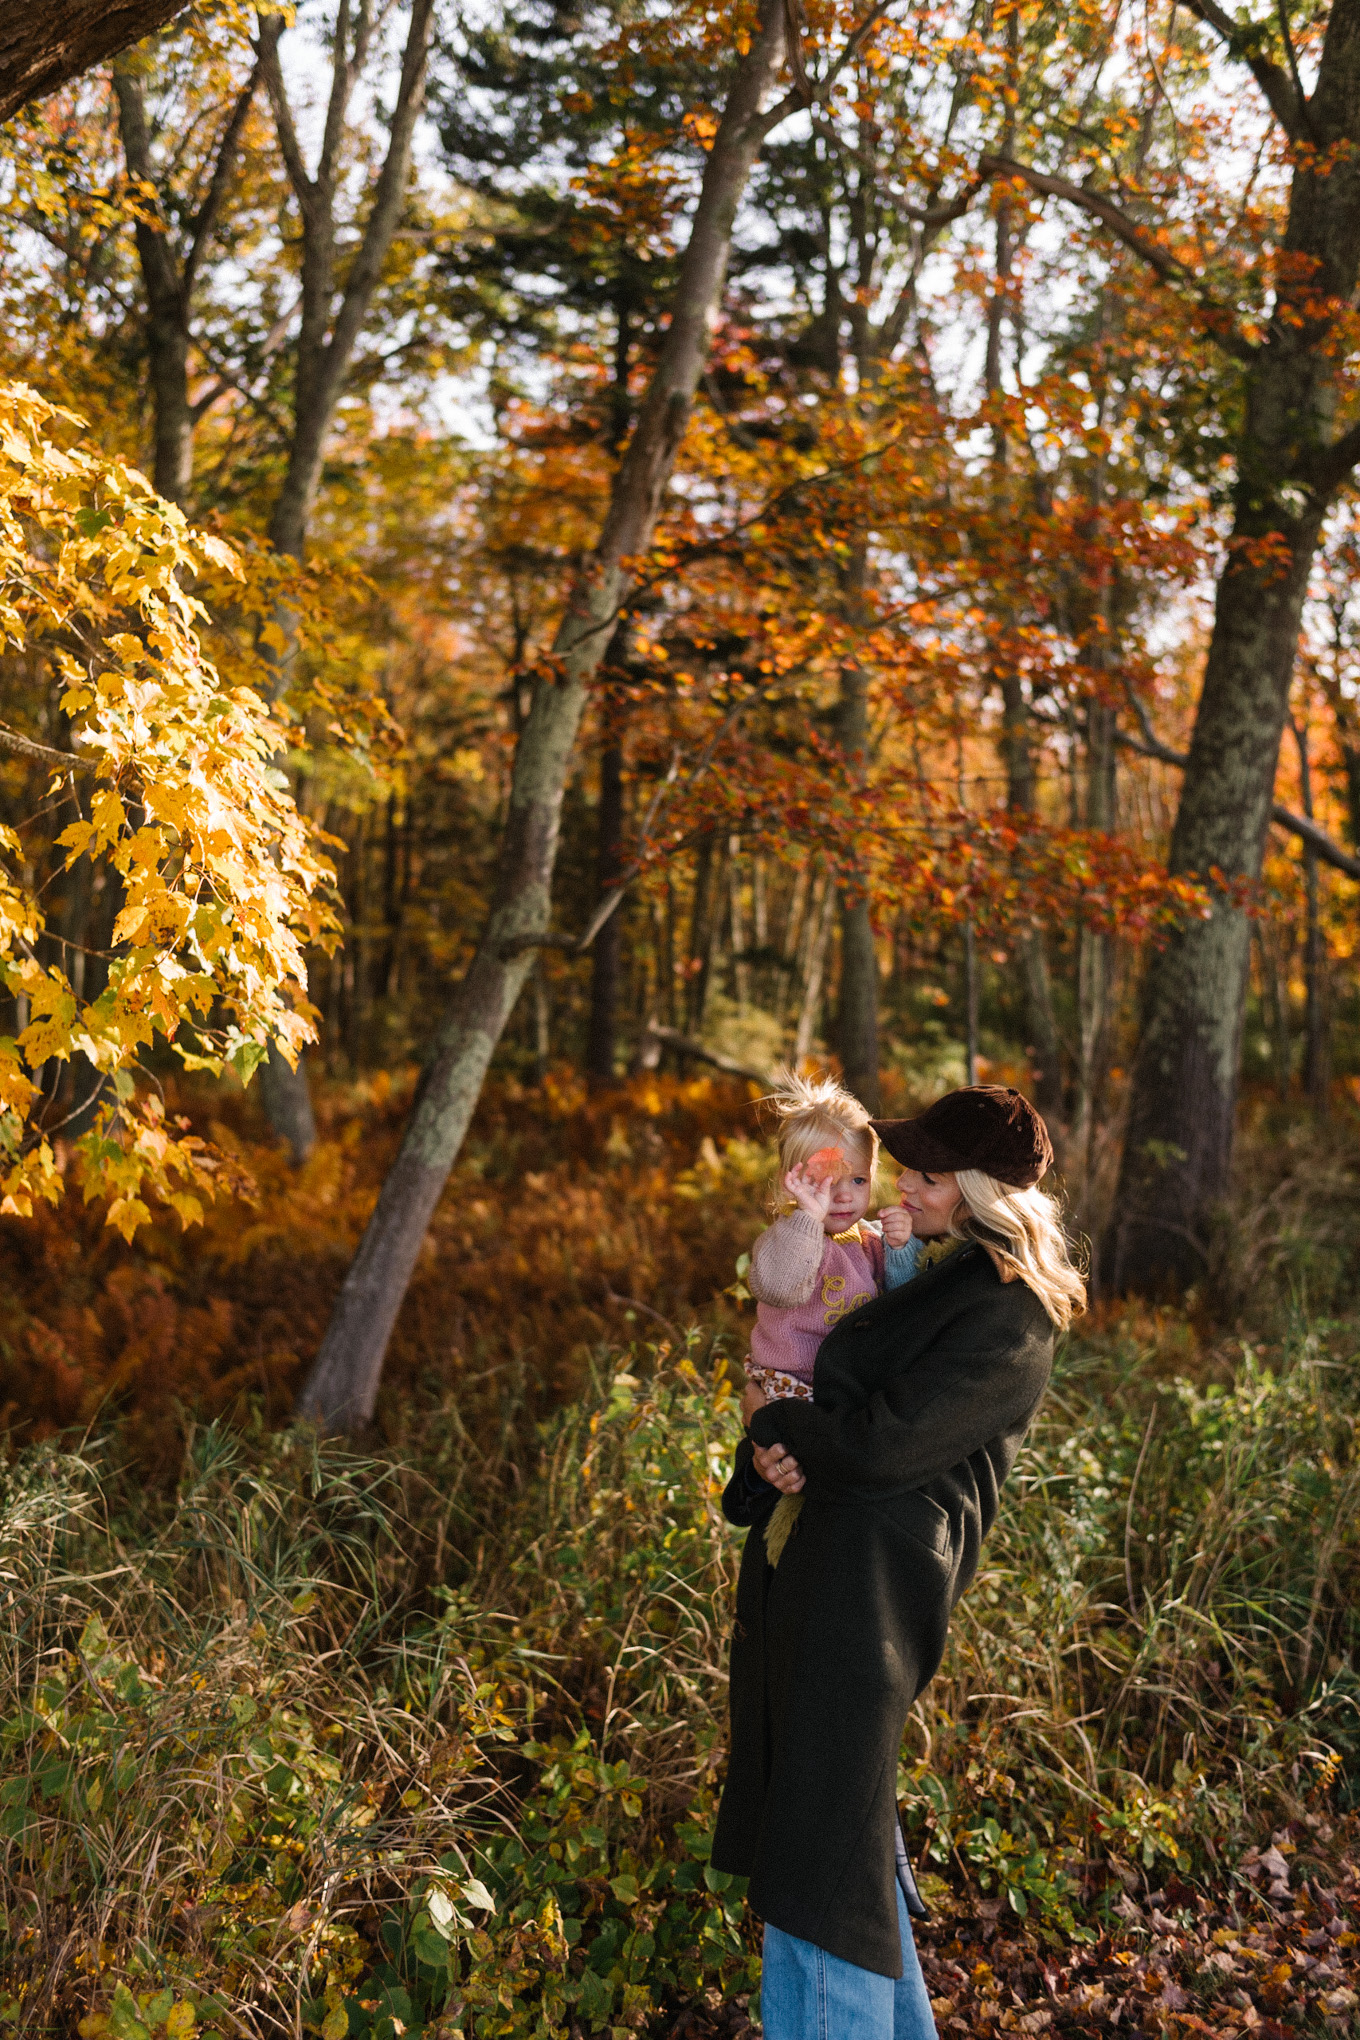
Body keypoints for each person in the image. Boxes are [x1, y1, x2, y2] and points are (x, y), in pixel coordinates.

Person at [712, 1084, 1086, 2040]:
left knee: (820, 1862)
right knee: (843, 1852)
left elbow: (881, 1445)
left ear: (974, 1188)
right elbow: (811, 1350)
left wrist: (782, 1421)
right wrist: (769, 1447)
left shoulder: (1007, 1315)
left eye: (923, 1174)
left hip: (869, 1602)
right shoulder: (932, 1274)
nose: (904, 1188)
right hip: (818, 1574)